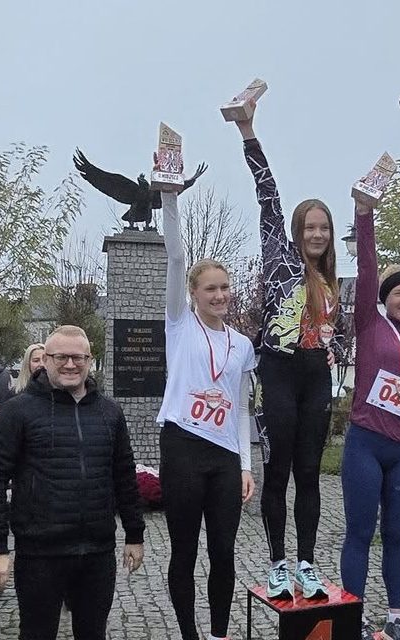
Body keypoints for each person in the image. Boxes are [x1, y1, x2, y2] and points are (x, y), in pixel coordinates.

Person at [233, 103, 341, 599]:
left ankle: (307, 564)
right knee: (278, 471)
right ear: (297, 230)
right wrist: (248, 129)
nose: (317, 234)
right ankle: (278, 562)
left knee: (310, 474)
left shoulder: (330, 279)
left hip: (316, 376)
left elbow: (333, 329)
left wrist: (335, 348)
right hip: (276, 372)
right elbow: (267, 194)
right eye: (310, 227)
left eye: (324, 228)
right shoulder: (280, 255)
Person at [0, 325, 145, 640]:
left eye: (78, 358)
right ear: (45, 360)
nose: (70, 364)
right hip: (40, 553)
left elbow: (124, 473)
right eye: (61, 357)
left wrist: (134, 534)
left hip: (97, 551)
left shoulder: (109, 412)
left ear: (89, 360)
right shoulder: (17, 410)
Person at [156, 187, 258, 640]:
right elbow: (176, 258)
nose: (219, 295)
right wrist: (169, 197)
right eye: (210, 288)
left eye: (224, 287)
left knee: (223, 551)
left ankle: (218, 634)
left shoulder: (242, 344)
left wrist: (245, 465)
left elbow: (240, 407)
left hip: (223, 455)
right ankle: (189, 635)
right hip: (182, 444)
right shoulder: (179, 323)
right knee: (184, 551)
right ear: (193, 293)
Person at [340, 196, 400, 640]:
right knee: (360, 532)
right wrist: (365, 215)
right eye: (399, 292)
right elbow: (367, 269)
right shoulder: (369, 325)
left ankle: (396, 617)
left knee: (398, 536)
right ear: (384, 299)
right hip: (366, 444)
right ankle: (353, 617)